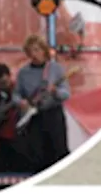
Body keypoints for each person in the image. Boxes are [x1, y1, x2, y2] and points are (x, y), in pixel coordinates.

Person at [14, 35, 70, 172]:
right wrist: (21, 102)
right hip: (34, 118)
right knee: (37, 155)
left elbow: (66, 94)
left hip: (53, 114)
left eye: (37, 50)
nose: (34, 54)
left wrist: (55, 91)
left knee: (59, 152)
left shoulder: (56, 69)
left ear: (44, 51)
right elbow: (15, 94)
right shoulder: (23, 73)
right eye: (31, 51)